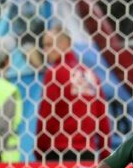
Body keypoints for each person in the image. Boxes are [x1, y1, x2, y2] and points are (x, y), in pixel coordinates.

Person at [35, 26, 111, 161]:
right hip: (88, 154)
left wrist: (39, 151)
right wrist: (105, 156)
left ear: (66, 44)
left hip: (58, 152)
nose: (45, 51)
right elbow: (103, 120)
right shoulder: (91, 75)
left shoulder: (55, 72)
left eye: (49, 45)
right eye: (44, 46)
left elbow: (47, 116)